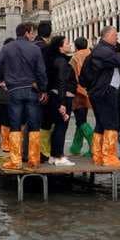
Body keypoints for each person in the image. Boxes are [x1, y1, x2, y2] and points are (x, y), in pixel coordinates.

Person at [0, 23, 47, 169]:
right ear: (27, 33)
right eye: (32, 33)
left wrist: (0, 81)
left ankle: (15, 161)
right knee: (34, 124)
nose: (33, 35)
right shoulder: (35, 48)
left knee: (15, 125)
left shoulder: (7, 48)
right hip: (31, 90)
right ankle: (33, 160)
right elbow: (41, 72)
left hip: (14, 90)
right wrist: (43, 90)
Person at [83, 25, 120, 167]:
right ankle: (109, 157)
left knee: (101, 124)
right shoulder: (103, 51)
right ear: (107, 36)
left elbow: (119, 54)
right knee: (112, 124)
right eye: (115, 35)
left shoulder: (102, 49)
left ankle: (98, 155)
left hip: (101, 92)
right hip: (105, 92)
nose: (117, 38)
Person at [46, 35, 76, 166]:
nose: (70, 45)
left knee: (57, 126)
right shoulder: (62, 62)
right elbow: (62, 82)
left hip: (55, 96)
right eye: (67, 43)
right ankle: (59, 156)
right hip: (63, 97)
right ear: (60, 47)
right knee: (61, 127)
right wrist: (62, 103)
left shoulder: (54, 60)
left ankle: (53, 155)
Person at [68, 37, 93, 157]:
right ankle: (75, 147)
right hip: (90, 91)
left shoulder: (75, 58)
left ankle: (94, 146)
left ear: (76, 46)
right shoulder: (92, 54)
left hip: (78, 92)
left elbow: (72, 77)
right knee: (81, 120)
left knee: (81, 120)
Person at [35, 21, 53, 159]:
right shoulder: (46, 48)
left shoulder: (31, 46)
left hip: (30, 88)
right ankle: (44, 151)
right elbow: (45, 71)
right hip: (43, 89)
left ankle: (32, 151)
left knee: (32, 120)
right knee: (45, 119)